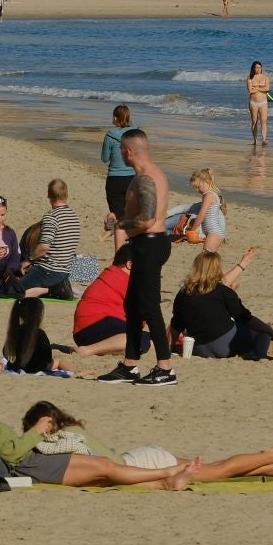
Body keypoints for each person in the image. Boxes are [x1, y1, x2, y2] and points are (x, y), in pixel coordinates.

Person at [0, 372, 193, 489]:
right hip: (28, 464)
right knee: (104, 469)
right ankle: (166, 473)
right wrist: (35, 430)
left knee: (103, 472)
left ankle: (166, 483)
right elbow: (12, 454)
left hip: (32, 459)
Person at [16, 399, 273, 484]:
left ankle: (270, 455)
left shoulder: (63, 438)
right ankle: (272, 467)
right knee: (213, 471)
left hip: (140, 461)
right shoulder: (74, 429)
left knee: (213, 471)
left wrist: (33, 434)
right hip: (140, 456)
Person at [104, 131, 177, 386]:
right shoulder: (152, 172)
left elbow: (147, 220)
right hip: (147, 244)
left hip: (150, 245)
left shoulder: (145, 179)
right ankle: (129, 365)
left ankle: (165, 368)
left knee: (149, 307)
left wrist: (117, 222)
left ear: (126, 152)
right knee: (132, 307)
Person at [170, 250, 271, 359]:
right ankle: (259, 356)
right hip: (225, 346)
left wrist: (168, 348)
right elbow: (244, 318)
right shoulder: (222, 291)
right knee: (263, 334)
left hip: (199, 349)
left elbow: (176, 325)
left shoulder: (183, 293)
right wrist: (269, 330)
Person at [13, 179, 80, 299]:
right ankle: (55, 288)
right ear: (66, 195)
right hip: (64, 272)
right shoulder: (74, 217)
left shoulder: (51, 217)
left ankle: (53, 289)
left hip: (47, 270)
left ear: (50, 196)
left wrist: (29, 260)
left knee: (14, 290)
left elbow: (44, 247)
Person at [100, 104, 135, 248]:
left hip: (115, 177)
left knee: (116, 212)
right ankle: (128, 236)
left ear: (115, 118)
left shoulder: (110, 135)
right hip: (132, 177)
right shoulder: (136, 133)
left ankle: (116, 236)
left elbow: (104, 158)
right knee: (131, 211)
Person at [3, 296, 66, 373]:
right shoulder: (39, 334)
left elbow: (5, 353)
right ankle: (77, 373)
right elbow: (47, 358)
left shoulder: (14, 331)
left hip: (15, 366)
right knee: (58, 361)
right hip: (36, 368)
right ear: (38, 315)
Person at [246, 61, 271, 147]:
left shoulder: (265, 77)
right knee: (254, 121)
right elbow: (250, 91)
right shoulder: (250, 78)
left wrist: (256, 88)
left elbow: (267, 89)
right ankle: (255, 140)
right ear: (253, 68)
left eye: (260, 67)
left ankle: (264, 139)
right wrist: (260, 88)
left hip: (263, 102)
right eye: (257, 67)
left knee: (263, 121)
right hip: (253, 102)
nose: (258, 69)